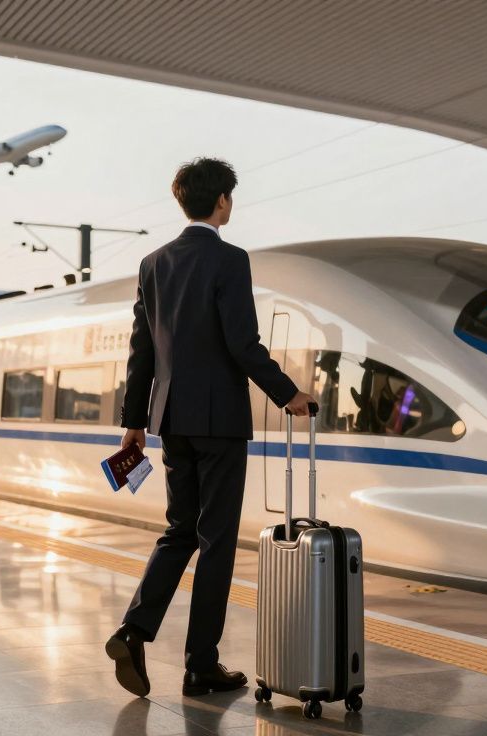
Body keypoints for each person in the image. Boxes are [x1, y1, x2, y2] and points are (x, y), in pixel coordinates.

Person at [105, 157, 315, 699]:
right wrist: (289, 394)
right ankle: (201, 666)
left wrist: (133, 421)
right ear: (222, 201)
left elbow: (142, 351)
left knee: (178, 531)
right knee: (215, 540)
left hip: (170, 419)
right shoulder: (229, 260)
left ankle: (134, 628)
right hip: (219, 421)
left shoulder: (153, 263)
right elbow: (242, 344)